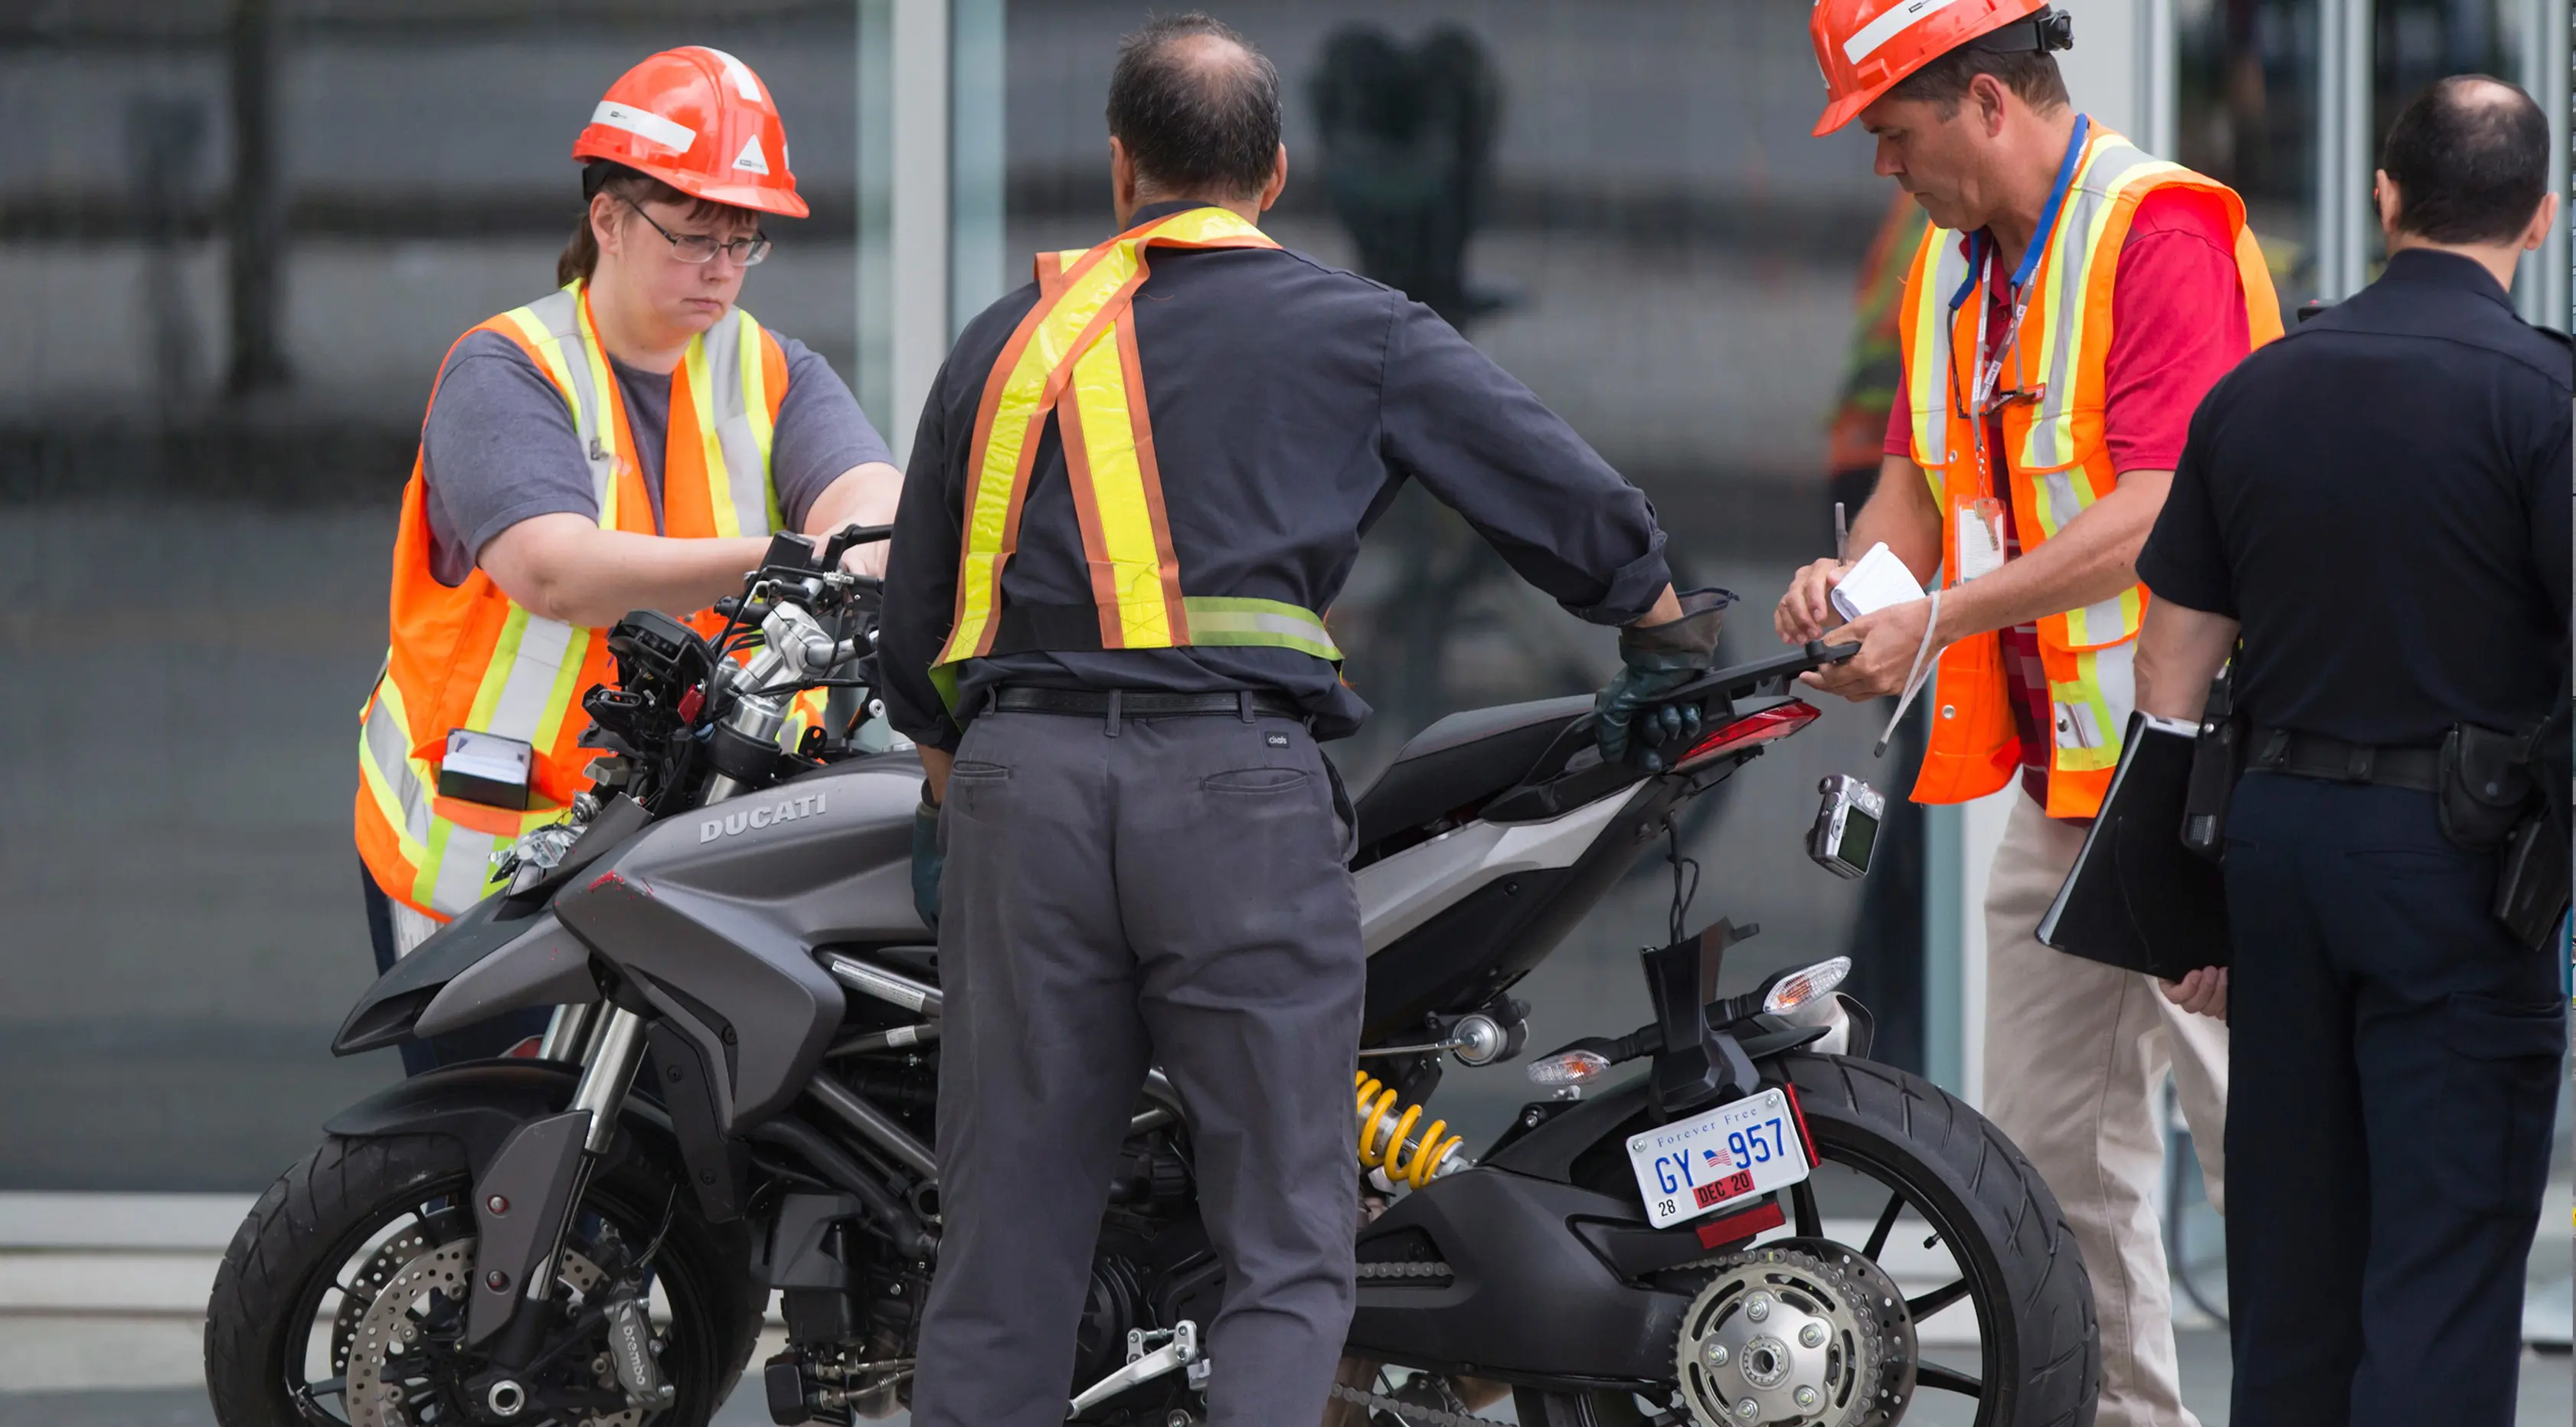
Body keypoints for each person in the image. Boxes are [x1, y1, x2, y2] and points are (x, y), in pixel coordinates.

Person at [871, 15, 1700, 1425]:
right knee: (1282, 1241)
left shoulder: (1011, 340)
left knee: (1006, 1248)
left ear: (1121, 167)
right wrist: (1662, 632)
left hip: (1024, 793)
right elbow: (1556, 489)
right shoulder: (1359, 327)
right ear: (1274, 175)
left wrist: (968, 802)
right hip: (1233, 798)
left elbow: (916, 633)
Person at [1782, 5, 2283, 1423]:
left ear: (1988, 102)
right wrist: (1853, 589)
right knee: (2047, 1187)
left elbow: (2155, 514)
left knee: (2275, 1164)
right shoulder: (1954, 272)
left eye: (1893, 132)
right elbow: (1917, 489)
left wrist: (1933, 620)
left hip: (2203, 785)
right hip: (2072, 792)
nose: (1885, 170)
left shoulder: (2157, 234)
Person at [2130, 76, 2569, 1427]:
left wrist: (2187, 896)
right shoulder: (2545, 402)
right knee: (2439, 1268)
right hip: (2463, 871)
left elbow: (2170, 666)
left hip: (2277, 859)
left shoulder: (2257, 391)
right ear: (2541, 220)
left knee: (2292, 1269)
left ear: (2384, 198)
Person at [354, 47, 902, 1072]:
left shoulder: (772, 370)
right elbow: (552, 571)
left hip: (683, 857)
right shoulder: (506, 368)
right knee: (501, 1168)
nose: (723, 270)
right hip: (494, 860)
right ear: (607, 219)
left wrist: (859, 540)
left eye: (745, 243)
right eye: (696, 238)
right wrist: (788, 557)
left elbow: (872, 503)